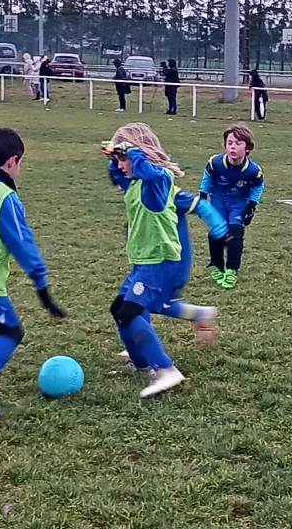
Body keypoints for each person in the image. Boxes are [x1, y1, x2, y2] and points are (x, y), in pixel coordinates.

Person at [105, 151, 228, 362]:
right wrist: (113, 156)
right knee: (140, 302)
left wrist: (220, 230)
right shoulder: (139, 185)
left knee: (149, 303)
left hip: (170, 261)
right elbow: (119, 177)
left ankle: (197, 316)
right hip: (151, 258)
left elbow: (200, 205)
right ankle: (145, 343)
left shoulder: (167, 190)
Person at [0, 129, 65, 424]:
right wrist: (43, 290)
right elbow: (23, 245)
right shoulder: (5, 197)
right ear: (12, 161)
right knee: (11, 332)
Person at [102, 122, 187, 397]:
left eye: (124, 158)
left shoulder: (158, 180)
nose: (121, 165)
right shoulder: (136, 182)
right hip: (144, 261)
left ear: (139, 154)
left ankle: (166, 370)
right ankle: (141, 363)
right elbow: (119, 176)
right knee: (119, 309)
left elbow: (150, 174)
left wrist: (133, 153)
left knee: (130, 312)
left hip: (159, 260)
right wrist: (114, 157)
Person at [199, 124, 264, 289]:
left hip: (238, 203)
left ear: (247, 148)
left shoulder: (253, 170)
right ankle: (217, 266)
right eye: (229, 143)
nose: (232, 147)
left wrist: (252, 204)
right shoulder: (215, 162)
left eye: (237, 143)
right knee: (216, 233)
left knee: (235, 234)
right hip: (218, 201)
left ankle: (231, 270)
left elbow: (258, 186)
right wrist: (203, 195)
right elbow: (207, 176)